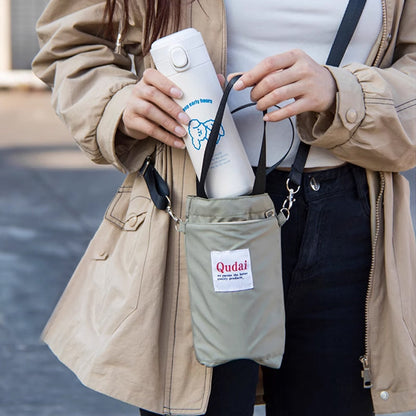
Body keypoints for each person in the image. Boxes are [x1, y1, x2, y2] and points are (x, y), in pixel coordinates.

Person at [32, 1, 416, 415]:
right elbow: (71, 41)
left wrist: (344, 93)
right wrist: (119, 102)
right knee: (198, 402)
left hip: (347, 219)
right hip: (197, 216)